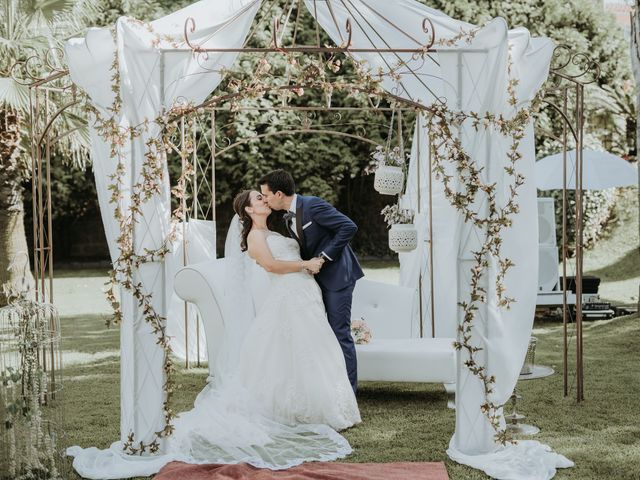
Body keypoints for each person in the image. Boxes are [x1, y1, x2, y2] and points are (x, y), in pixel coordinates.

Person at [259, 170, 364, 393]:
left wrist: (323, 258)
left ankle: (349, 394)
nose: (265, 200)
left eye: (266, 195)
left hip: (338, 277)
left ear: (279, 194)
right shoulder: (288, 217)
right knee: (321, 335)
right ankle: (328, 389)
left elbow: (349, 227)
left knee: (339, 333)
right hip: (315, 282)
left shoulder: (312, 205)